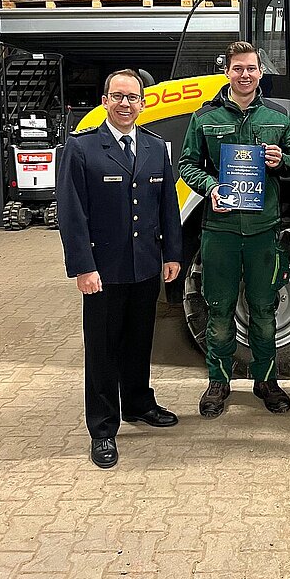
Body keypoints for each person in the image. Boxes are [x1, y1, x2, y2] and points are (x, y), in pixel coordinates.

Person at [58, 69, 182, 469]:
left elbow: (167, 208)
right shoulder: (80, 149)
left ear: (143, 102)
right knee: (101, 350)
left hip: (145, 265)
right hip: (103, 270)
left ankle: (139, 404)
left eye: (132, 97)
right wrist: (82, 267)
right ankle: (103, 427)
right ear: (105, 101)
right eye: (118, 96)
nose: (125, 104)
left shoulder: (154, 147)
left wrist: (173, 255)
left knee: (138, 341)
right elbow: (71, 214)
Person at [179, 41, 290, 418]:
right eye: (238, 68)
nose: (245, 74)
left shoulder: (278, 118)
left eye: (251, 68)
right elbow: (187, 164)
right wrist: (211, 187)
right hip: (219, 230)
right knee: (218, 309)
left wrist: (283, 160)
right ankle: (218, 382)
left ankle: (267, 381)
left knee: (265, 309)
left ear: (260, 72)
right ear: (228, 72)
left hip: (264, 230)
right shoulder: (204, 118)